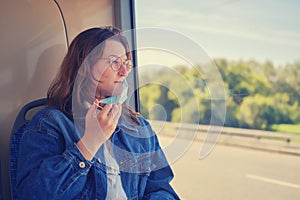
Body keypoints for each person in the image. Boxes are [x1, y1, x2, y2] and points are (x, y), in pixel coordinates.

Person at [14, 26, 179, 199]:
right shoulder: (49, 124)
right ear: (84, 66)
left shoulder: (140, 127)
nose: (124, 72)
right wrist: (89, 144)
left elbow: (162, 190)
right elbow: (33, 195)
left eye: (126, 64)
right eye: (114, 62)